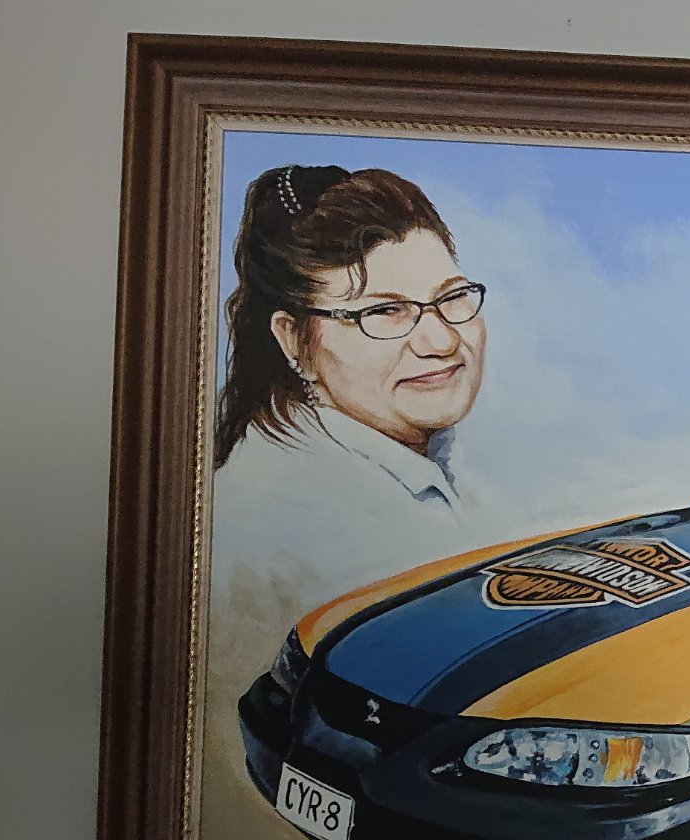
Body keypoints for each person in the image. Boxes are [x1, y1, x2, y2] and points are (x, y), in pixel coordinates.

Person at [210, 164, 504, 626]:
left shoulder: (453, 472)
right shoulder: (266, 532)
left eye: (452, 297)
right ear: (293, 340)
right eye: (384, 311)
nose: (442, 341)